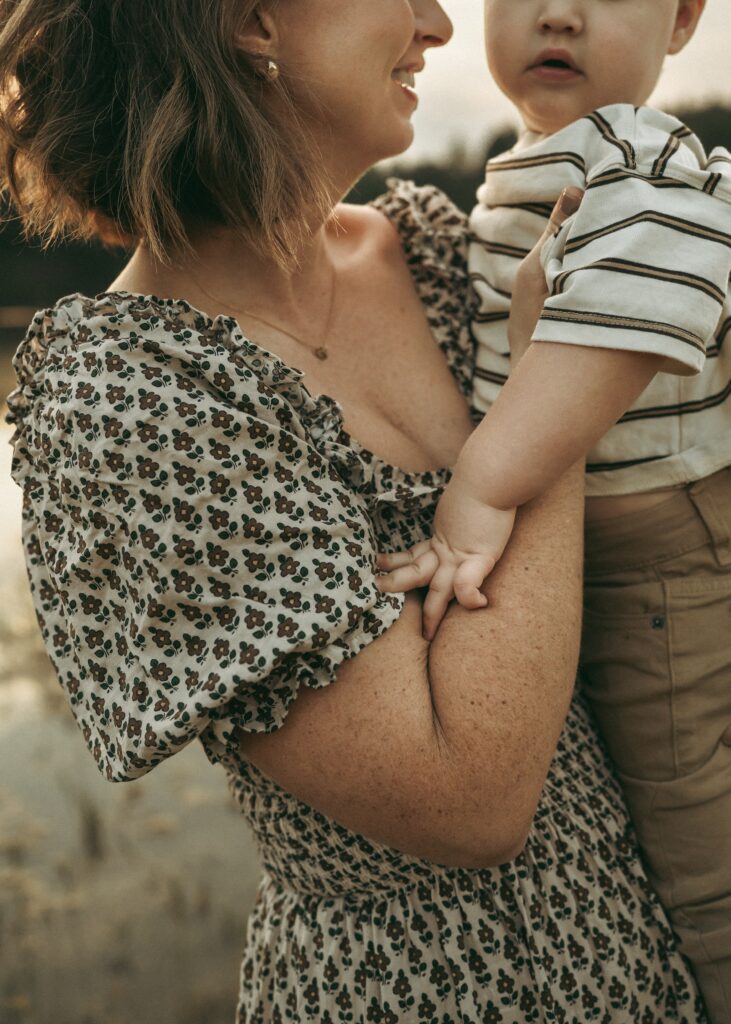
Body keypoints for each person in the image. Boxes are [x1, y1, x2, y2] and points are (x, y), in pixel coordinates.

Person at [0, 0, 707, 1020]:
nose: (438, 27)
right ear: (251, 22)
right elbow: (465, 798)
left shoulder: (427, 249)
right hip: (409, 993)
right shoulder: (123, 396)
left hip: (636, 952)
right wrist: (553, 378)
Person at [376, 0, 731, 1018]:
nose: (557, 12)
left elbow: (617, 321)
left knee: (683, 802)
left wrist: (484, 482)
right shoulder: (547, 153)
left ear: (679, 23)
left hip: (653, 542)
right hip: (610, 534)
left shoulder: (631, 156)